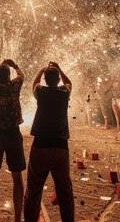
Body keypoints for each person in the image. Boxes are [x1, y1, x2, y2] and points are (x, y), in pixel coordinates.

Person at [24, 62, 74, 222]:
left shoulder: (41, 91)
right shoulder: (64, 92)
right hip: (60, 147)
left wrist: (40, 70)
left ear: (45, 79)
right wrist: (59, 69)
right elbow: (69, 83)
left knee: (33, 191)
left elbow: (34, 84)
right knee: (64, 191)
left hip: (40, 146)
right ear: (58, 79)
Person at [0, 59, 25, 222]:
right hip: (13, 134)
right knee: (17, 176)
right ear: (9, 76)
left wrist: (0, 65)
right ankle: (17, 218)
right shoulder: (14, 86)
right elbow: (22, 75)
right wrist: (14, 65)